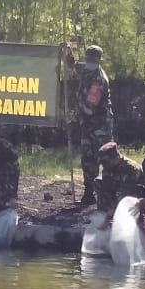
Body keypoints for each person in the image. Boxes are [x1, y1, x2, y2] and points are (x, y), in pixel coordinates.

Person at [60, 42, 113, 206]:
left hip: (100, 126)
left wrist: (72, 119)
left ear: (98, 60)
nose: (89, 60)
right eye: (88, 56)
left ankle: (106, 195)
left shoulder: (99, 80)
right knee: (87, 159)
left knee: (103, 158)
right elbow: (72, 66)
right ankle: (89, 192)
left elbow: (89, 108)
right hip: (87, 124)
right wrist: (66, 50)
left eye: (93, 58)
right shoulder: (85, 69)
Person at [94, 142, 143, 221]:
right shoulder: (107, 169)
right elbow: (106, 188)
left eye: (105, 162)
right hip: (118, 194)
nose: (103, 165)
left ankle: (133, 220)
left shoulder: (130, 168)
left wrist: (108, 216)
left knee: (124, 196)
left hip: (134, 197)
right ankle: (103, 216)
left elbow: (124, 195)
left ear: (115, 157)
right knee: (98, 183)